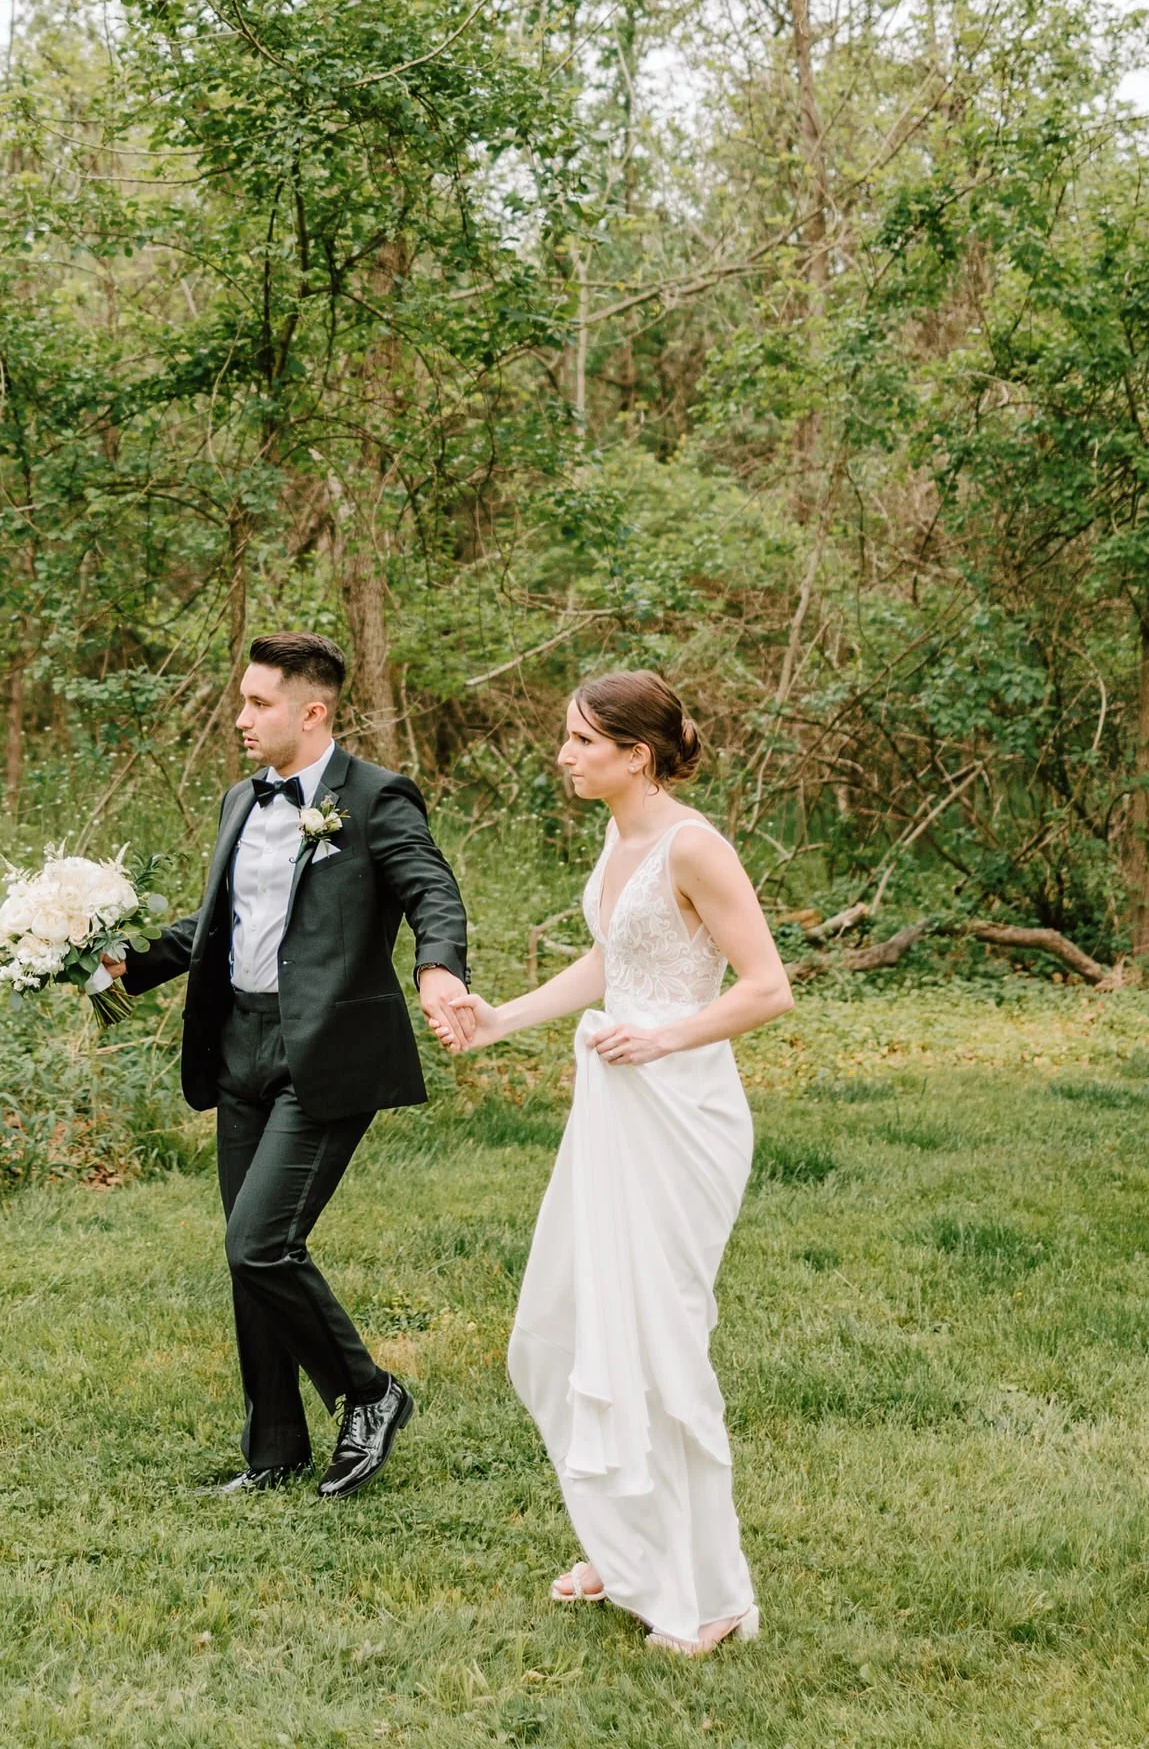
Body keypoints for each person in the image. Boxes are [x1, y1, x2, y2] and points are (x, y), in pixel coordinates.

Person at [439, 671, 792, 1654]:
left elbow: (767, 988)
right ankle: (628, 1542)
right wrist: (500, 1019)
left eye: (582, 741)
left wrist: (667, 1039)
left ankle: (713, 1597)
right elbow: (613, 963)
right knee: (565, 1329)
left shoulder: (694, 845)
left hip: (681, 1114)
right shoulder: (620, 838)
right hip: (614, 1104)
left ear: (636, 755)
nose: (564, 755)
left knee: (659, 1343)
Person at [115, 632, 471, 1496]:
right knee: (250, 1260)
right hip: (239, 1045)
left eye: (258, 703)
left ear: (311, 712)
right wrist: (115, 961)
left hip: (327, 1052)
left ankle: (370, 1393)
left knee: (260, 1242)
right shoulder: (243, 800)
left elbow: (433, 891)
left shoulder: (378, 799)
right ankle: (274, 1452)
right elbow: (213, 928)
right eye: (242, 700)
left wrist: (439, 968)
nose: (240, 717)